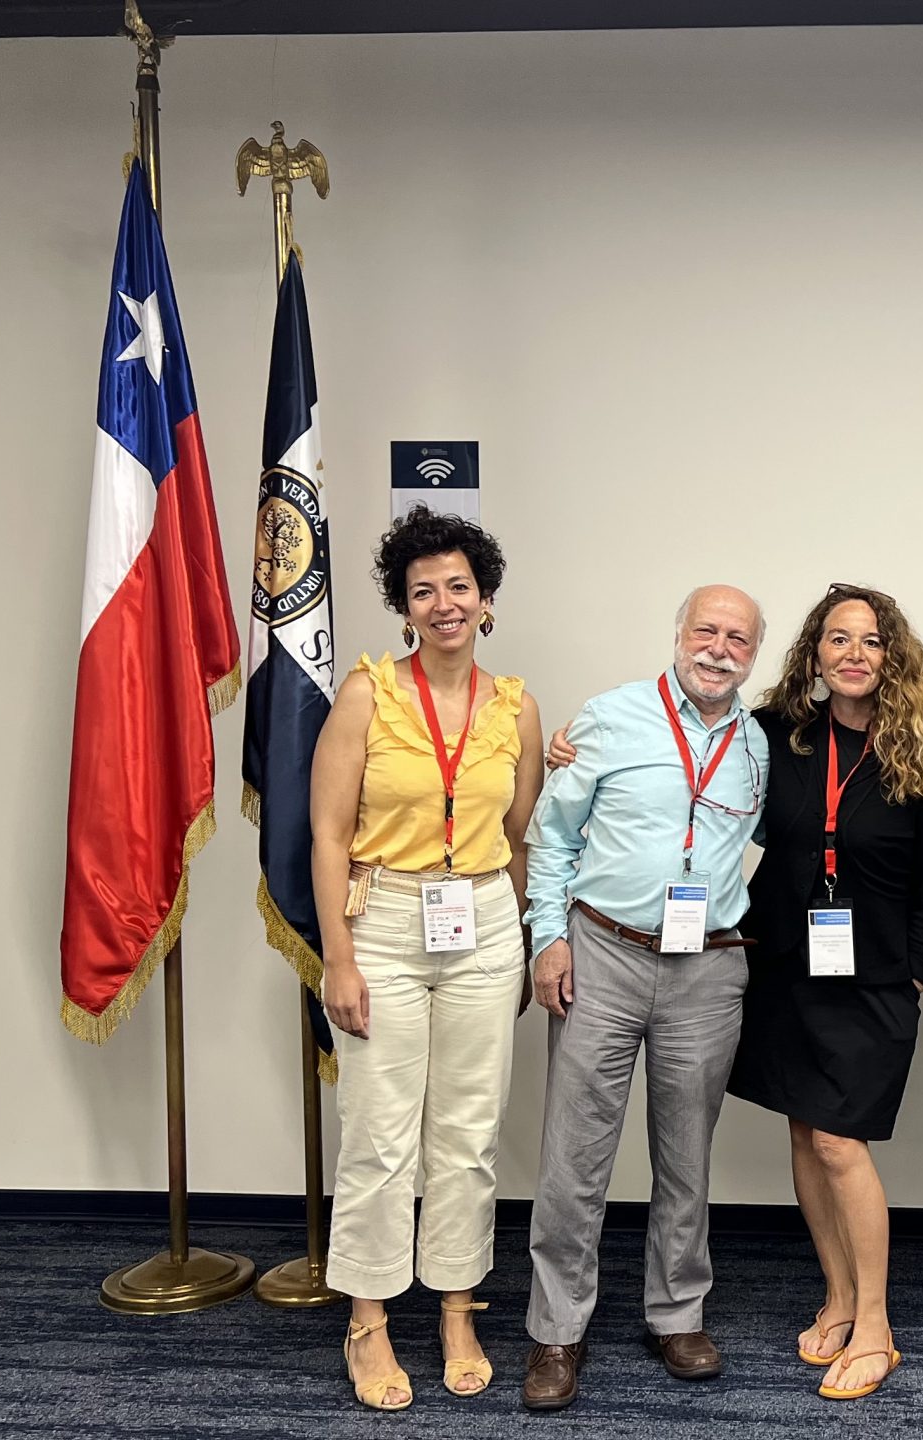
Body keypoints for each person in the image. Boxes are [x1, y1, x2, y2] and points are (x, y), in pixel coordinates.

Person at [557, 585, 923, 1399]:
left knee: (844, 1144)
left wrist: (917, 969)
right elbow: (697, 775)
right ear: (815, 655)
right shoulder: (779, 736)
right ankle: (839, 1298)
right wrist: (574, 749)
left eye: (872, 641)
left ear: (893, 657)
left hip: (875, 978)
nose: (854, 654)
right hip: (786, 967)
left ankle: (877, 1327)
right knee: (809, 1138)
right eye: (837, 640)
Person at [309, 507, 541, 1412]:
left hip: (482, 917)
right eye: (423, 591)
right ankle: (367, 1319)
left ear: (485, 602)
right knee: (378, 1131)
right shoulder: (368, 692)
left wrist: (519, 940)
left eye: (459, 587)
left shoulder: (517, 705)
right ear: (404, 610)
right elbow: (328, 835)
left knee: (469, 1133)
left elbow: (521, 838)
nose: (444, 604)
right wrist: (338, 957)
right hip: (386, 916)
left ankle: (455, 1308)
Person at [518, 584, 770, 1413]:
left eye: (738, 638)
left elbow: (760, 840)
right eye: (707, 629)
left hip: (708, 968)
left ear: (753, 654)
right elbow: (551, 837)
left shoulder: (758, 745)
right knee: (574, 1156)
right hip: (602, 954)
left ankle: (678, 1312)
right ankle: (557, 1330)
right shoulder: (608, 717)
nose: (719, 648)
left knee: (687, 1153)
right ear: (678, 633)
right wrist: (547, 940)